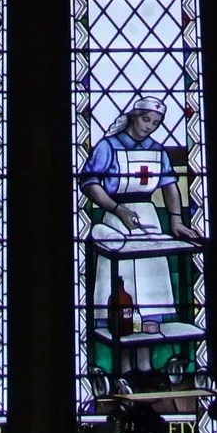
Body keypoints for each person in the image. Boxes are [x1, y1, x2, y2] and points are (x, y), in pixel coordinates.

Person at [80, 93, 201, 380]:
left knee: (149, 295)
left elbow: (169, 185)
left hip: (148, 219)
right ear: (134, 116)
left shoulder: (157, 151)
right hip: (117, 219)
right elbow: (90, 183)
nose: (150, 126)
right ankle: (123, 369)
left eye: (156, 123)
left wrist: (175, 220)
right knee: (120, 295)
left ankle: (146, 368)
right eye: (146, 119)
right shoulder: (107, 147)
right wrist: (116, 208)